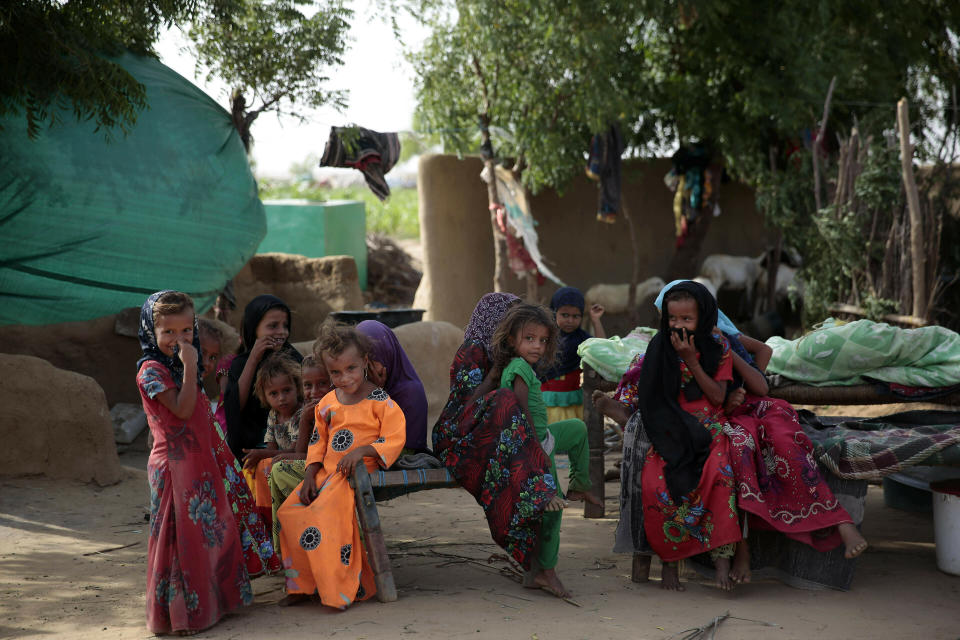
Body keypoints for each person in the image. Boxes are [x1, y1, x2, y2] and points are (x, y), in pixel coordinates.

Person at [595, 281, 741, 591]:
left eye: (687, 319)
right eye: (673, 319)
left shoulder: (719, 346)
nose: (679, 326)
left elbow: (717, 397)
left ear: (703, 317)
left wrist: (690, 359)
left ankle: (722, 562)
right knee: (656, 477)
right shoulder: (660, 345)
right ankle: (669, 563)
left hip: (709, 425)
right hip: (672, 420)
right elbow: (654, 394)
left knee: (720, 472)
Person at [136, 291, 252, 635]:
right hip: (173, 466)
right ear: (150, 333)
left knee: (205, 533)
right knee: (177, 539)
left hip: (199, 461)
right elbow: (183, 410)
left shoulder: (182, 366)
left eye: (186, 330)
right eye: (168, 332)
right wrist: (190, 365)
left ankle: (213, 604)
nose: (179, 339)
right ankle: (179, 615)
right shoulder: (151, 371)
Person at [432, 293, 558, 594]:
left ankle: (534, 554)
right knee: (504, 400)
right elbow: (467, 409)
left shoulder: (517, 355)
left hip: (488, 433)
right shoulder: (472, 351)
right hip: (457, 436)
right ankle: (536, 483)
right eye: (509, 319)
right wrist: (494, 374)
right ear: (494, 318)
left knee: (512, 467)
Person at [276, 322, 406, 608]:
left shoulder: (380, 401)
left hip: (357, 473)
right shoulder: (327, 403)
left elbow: (395, 437)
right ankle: (302, 586)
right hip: (326, 473)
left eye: (351, 369)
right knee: (289, 511)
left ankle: (338, 590)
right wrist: (310, 474)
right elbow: (317, 442)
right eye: (335, 372)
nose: (344, 378)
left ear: (364, 363)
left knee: (322, 515)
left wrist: (362, 451)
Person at [491, 303, 598, 598]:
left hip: (545, 436)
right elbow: (521, 416)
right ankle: (545, 572)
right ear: (512, 340)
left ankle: (579, 484)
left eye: (542, 340)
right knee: (551, 509)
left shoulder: (521, 366)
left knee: (577, 428)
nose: (537, 346)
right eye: (529, 339)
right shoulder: (520, 369)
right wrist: (538, 462)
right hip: (534, 447)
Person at [198, 317, 282, 581]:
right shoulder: (227, 367)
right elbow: (229, 401)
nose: (208, 364)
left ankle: (243, 568)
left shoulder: (282, 361)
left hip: (224, 447)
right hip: (221, 438)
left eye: (213, 357)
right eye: (271, 325)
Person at [224, 295, 302, 460]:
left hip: (292, 446)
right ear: (254, 328)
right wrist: (253, 359)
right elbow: (234, 408)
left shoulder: (294, 358)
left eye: (285, 326)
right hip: (251, 448)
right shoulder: (241, 363)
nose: (281, 331)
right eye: (273, 326)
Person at [267, 354, 332, 552]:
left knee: (279, 468)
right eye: (308, 385)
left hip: (330, 469)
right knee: (275, 469)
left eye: (322, 384)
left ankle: (298, 543)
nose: (314, 392)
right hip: (315, 465)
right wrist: (305, 421)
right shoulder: (308, 411)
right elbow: (303, 451)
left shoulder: (335, 408)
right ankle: (287, 547)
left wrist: (289, 456)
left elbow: (314, 455)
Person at [240, 354, 304, 514]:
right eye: (274, 394)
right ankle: (259, 510)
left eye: (287, 390)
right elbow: (271, 449)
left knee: (263, 464)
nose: (282, 398)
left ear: (297, 387)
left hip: (299, 461)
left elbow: (296, 452)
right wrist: (262, 456)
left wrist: (262, 454)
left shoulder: (301, 415)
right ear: (265, 396)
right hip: (280, 462)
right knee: (253, 468)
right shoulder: (273, 416)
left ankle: (267, 512)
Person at [356, 320, 430, 452]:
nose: (367, 369)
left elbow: (404, 450)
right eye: (361, 361)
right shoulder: (352, 385)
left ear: (388, 355)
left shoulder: (411, 393)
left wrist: (378, 394)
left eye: (373, 360)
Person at [541, 287, 605, 423]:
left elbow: (602, 348)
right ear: (554, 313)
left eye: (576, 316)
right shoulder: (544, 337)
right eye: (565, 315)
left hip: (572, 400)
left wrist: (595, 320)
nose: (570, 320)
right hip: (547, 399)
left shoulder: (582, 338)